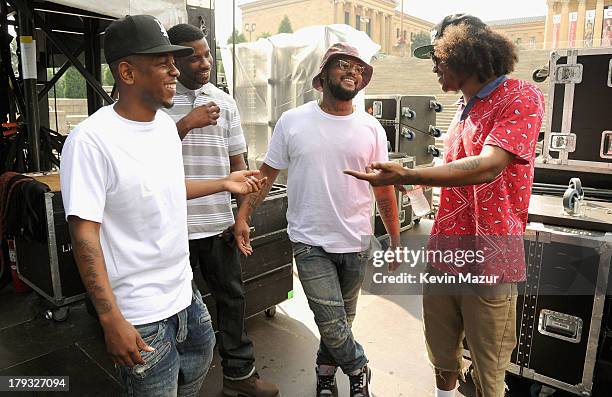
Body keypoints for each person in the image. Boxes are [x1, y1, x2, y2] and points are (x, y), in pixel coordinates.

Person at [60, 15, 264, 397]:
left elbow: (166, 188)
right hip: (140, 317)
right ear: (127, 72)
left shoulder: (164, 130)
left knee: (200, 363)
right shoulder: (90, 141)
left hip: (184, 298)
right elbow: (84, 232)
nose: (175, 70)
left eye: (175, 60)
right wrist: (109, 318)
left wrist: (223, 182)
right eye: (163, 62)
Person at [345, 14, 545, 397]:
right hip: (444, 252)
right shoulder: (463, 108)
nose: (434, 67)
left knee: (488, 369)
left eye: (438, 57)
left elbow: (488, 166)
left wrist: (406, 175)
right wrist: (414, 187)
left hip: (490, 256)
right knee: (442, 354)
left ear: (464, 53)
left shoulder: (519, 96)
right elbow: (453, 171)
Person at [233, 42, 401, 397]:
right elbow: (265, 175)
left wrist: (395, 243)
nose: (352, 71)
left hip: (356, 240)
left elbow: (384, 190)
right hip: (310, 241)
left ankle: (325, 374)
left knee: (341, 322)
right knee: (332, 320)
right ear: (322, 78)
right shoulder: (294, 121)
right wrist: (244, 215)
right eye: (342, 64)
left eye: (358, 67)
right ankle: (359, 369)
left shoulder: (371, 128)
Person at [164, 23, 280, 397]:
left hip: (216, 226)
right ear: (173, 60)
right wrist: (185, 123)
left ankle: (240, 377)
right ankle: (176, 383)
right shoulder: (159, 102)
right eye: (193, 56)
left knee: (232, 300)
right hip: (172, 228)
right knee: (176, 312)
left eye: (207, 54)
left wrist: (241, 218)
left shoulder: (225, 102)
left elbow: (239, 167)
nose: (204, 62)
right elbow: (146, 160)